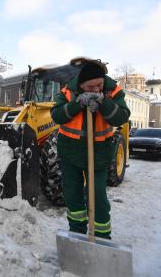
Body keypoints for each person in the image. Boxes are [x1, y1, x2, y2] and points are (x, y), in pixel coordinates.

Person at [51, 60, 130, 239]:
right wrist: (77, 103)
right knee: (72, 195)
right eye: (90, 87)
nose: (96, 89)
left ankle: (102, 237)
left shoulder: (112, 91)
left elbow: (121, 118)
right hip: (70, 152)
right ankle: (77, 233)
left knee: (97, 195)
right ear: (81, 85)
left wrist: (103, 103)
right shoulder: (68, 92)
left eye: (99, 85)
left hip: (100, 153)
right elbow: (57, 116)